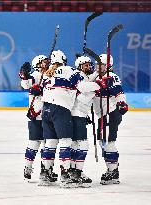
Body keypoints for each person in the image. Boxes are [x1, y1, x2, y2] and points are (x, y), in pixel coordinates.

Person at [38, 50, 108, 188]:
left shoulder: (47, 74)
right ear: (64, 59)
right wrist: (98, 85)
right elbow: (81, 86)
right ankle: (65, 176)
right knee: (66, 141)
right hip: (60, 108)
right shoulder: (68, 70)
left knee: (51, 142)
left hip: (45, 109)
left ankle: (45, 174)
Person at [20, 55, 58, 181]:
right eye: (44, 62)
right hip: (37, 115)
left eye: (48, 62)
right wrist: (24, 74)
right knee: (34, 143)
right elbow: (25, 84)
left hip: (49, 116)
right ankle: (28, 167)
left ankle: (47, 169)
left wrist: (41, 90)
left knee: (49, 144)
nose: (47, 64)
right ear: (37, 64)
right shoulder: (36, 75)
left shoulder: (50, 75)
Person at [92, 54, 128, 185]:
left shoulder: (112, 76)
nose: (97, 66)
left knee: (109, 143)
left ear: (108, 65)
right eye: (97, 64)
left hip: (111, 112)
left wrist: (122, 103)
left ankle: (113, 172)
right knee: (103, 143)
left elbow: (119, 92)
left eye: (100, 64)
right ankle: (111, 169)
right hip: (103, 114)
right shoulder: (96, 76)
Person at [69, 55, 101, 188]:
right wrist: (97, 86)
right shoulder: (79, 75)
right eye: (85, 65)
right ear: (79, 66)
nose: (89, 67)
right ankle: (77, 172)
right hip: (77, 114)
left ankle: (74, 171)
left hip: (79, 114)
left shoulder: (84, 75)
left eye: (89, 64)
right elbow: (82, 87)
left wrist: (97, 74)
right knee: (82, 145)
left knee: (76, 144)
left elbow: (88, 80)